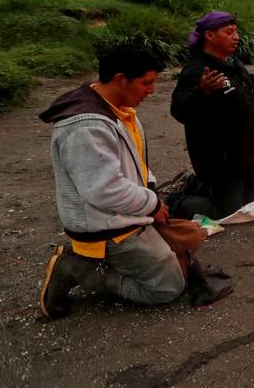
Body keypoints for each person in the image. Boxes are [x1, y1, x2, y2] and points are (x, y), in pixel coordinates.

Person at [38, 45, 181, 319]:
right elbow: (104, 190)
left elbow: (137, 164)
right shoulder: (86, 126)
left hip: (126, 213)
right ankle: (81, 269)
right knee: (168, 287)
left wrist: (152, 194)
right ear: (120, 79)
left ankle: (95, 262)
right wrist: (151, 205)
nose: (151, 91)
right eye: (146, 83)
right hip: (106, 226)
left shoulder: (120, 111)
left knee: (182, 253)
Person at [170, 11, 254, 218]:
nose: (236, 37)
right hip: (221, 157)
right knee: (228, 211)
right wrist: (201, 92)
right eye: (229, 32)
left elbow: (252, 86)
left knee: (249, 202)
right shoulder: (197, 70)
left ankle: (196, 184)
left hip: (247, 148)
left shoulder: (231, 62)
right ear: (210, 35)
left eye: (236, 32)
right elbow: (179, 109)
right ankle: (174, 200)